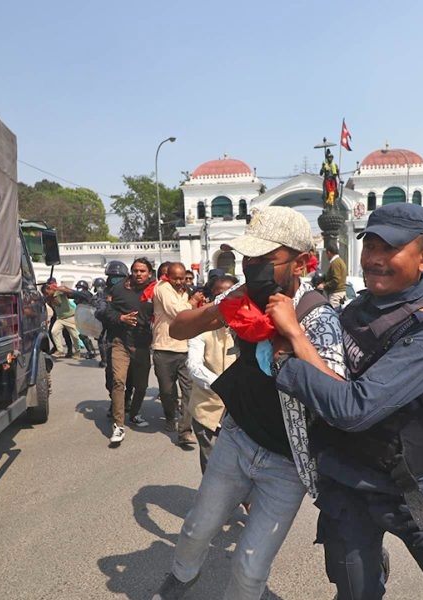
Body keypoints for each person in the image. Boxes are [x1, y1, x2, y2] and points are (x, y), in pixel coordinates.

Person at [268, 203, 423, 600]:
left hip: (410, 491)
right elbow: (329, 371)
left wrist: (286, 364)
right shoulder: (358, 309)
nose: (374, 259)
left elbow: (354, 408)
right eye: (369, 246)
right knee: (356, 591)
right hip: (348, 480)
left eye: (388, 249)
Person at [152, 206, 344, 600]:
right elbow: (178, 326)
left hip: (287, 462)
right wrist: (223, 308)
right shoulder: (242, 299)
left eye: (266, 259)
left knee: (251, 567)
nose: (252, 267)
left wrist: (293, 333)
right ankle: (182, 577)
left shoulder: (317, 317)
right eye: (249, 258)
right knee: (196, 529)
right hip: (237, 439)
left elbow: (338, 398)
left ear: (302, 263)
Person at [186, 273, 238, 472]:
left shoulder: (252, 327)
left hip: (243, 411)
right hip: (208, 409)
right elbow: (194, 366)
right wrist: (223, 386)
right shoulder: (201, 329)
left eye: (231, 295)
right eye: (219, 296)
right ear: (210, 299)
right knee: (213, 468)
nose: (225, 300)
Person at [101, 257, 155, 443]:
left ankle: (134, 414)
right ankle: (118, 425)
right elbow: (107, 312)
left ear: (149, 273)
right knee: (118, 381)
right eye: (136, 270)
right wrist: (121, 318)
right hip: (120, 342)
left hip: (142, 345)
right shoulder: (118, 290)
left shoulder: (155, 291)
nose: (138, 274)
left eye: (142, 271)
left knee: (141, 386)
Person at [152, 262, 196, 447]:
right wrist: (192, 304)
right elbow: (177, 312)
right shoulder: (162, 288)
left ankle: (185, 430)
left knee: (189, 391)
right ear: (167, 276)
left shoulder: (185, 291)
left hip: (185, 348)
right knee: (167, 391)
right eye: (175, 278)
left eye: (182, 278)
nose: (179, 282)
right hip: (164, 348)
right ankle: (170, 416)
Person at [43, 280, 81, 359]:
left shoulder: (60, 291)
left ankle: (77, 352)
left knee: (74, 336)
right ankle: (60, 350)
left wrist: (56, 289)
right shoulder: (49, 298)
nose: (46, 294)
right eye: (45, 294)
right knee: (54, 331)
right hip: (60, 318)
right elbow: (51, 306)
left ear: (50, 288)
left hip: (70, 317)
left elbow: (69, 291)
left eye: (47, 292)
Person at [320, 244, 348, 309]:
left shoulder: (335, 263)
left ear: (329, 253)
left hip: (335, 294)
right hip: (339, 293)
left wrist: (324, 285)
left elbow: (336, 280)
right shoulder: (340, 261)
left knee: (333, 315)